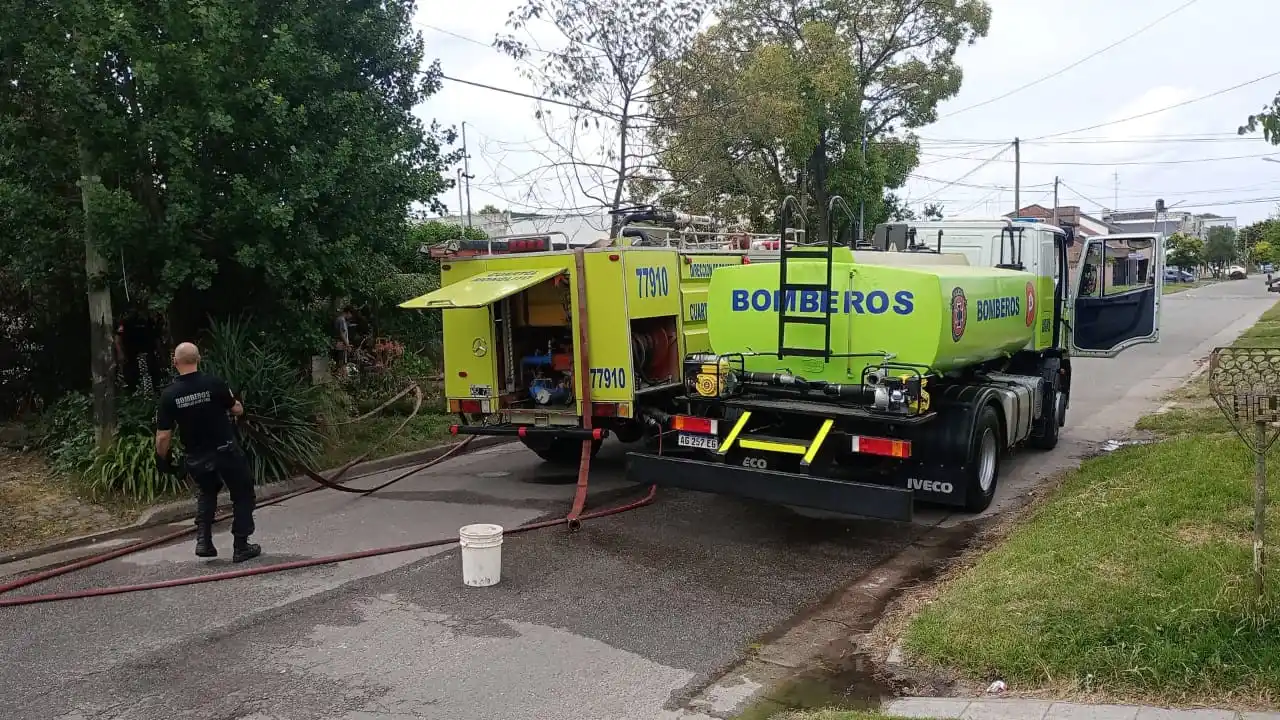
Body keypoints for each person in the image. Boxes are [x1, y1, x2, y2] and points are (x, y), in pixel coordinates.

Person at [154, 342, 261, 562]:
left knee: (207, 492)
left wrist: (162, 458)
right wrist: (239, 407)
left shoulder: (169, 395)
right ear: (199, 359)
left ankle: (204, 541)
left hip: (196, 456)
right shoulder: (214, 383)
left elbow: (163, 436)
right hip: (226, 451)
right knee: (242, 494)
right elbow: (236, 409)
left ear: (175, 362)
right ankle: (241, 546)